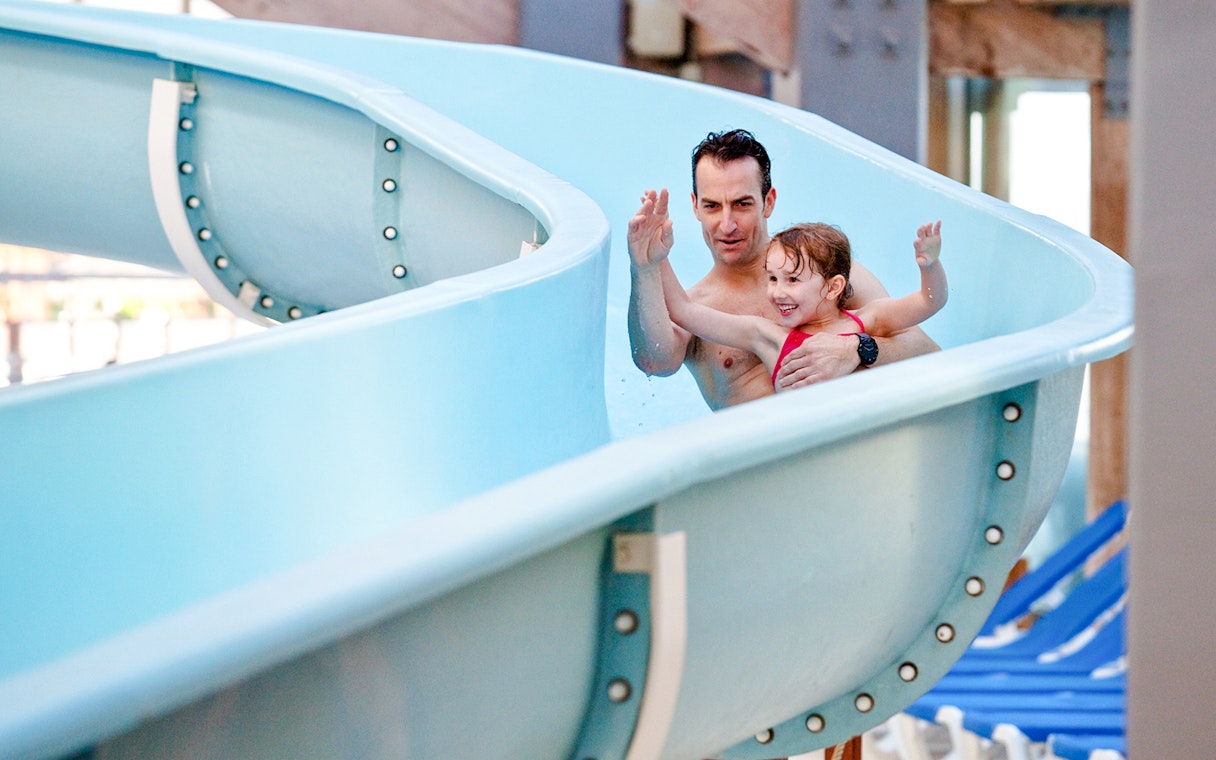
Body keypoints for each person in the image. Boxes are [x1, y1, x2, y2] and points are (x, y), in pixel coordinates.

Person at [627, 129, 939, 410]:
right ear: (695, 206)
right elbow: (654, 361)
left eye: (742, 204)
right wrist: (646, 267)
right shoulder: (697, 306)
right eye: (712, 206)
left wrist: (856, 349)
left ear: (769, 201)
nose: (727, 224)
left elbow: (926, 351)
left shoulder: (828, 272)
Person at [658, 220, 946, 387]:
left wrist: (929, 265)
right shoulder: (768, 336)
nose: (777, 292)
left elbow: (929, 301)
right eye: (772, 278)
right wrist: (658, 258)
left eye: (792, 280)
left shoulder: (867, 319)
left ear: (832, 287)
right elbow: (684, 310)